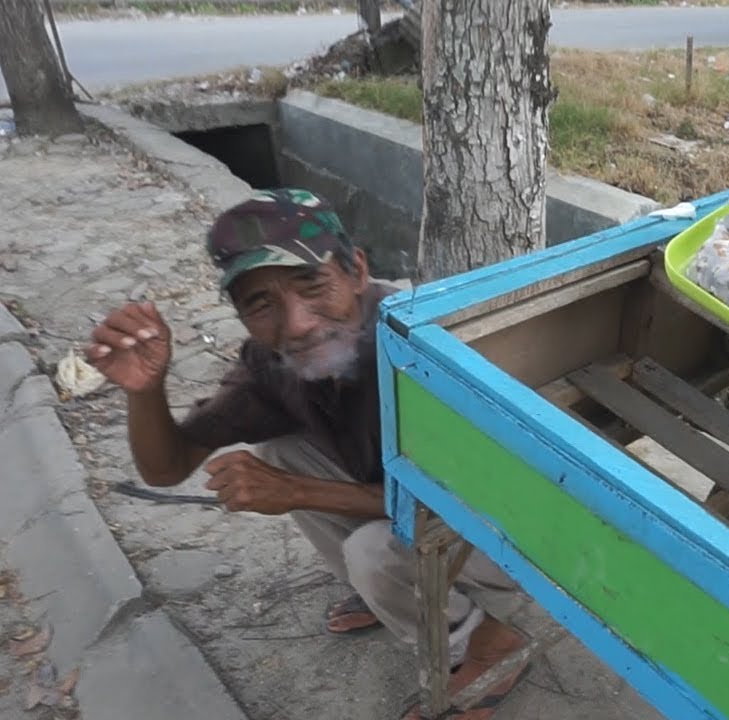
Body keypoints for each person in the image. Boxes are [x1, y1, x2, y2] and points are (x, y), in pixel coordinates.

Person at [85, 188, 529, 720]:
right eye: (261, 303)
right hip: (420, 511)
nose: (296, 324)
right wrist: (145, 391)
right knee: (279, 450)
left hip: (516, 537)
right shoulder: (273, 364)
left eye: (312, 284)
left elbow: (457, 503)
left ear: (357, 272)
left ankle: (489, 641)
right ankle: (394, 592)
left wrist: (297, 492)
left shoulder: (424, 346)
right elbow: (166, 467)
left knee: (372, 551)